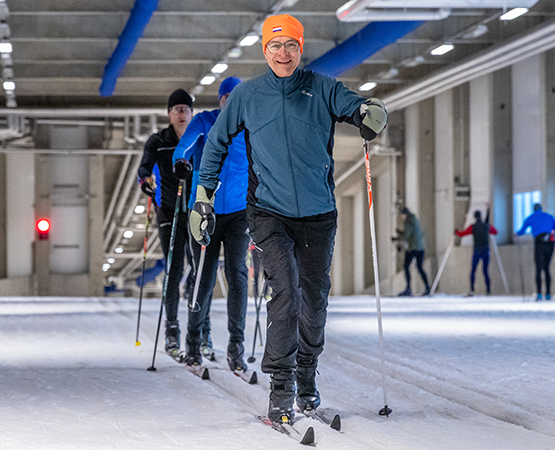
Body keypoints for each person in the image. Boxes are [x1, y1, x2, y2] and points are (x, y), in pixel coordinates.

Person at [190, 14, 388, 425]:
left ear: (301, 49)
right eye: (276, 46)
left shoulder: (321, 87)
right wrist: (203, 198)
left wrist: (371, 112)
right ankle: (281, 389)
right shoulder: (248, 96)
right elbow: (216, 143)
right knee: (287, 292)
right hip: (267, 212)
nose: (284, 53)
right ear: (265, 50)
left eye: (291, 46)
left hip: (318, 214)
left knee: (314, 300)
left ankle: (307, 377)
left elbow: (356, 107)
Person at [172, 77, 250, 371]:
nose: (230, 102)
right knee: (203, 276)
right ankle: (192, 345)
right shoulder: (205, 122)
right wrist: (181, 161)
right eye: (226, 96)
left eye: (235, 97)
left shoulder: (250, 126)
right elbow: (184, 146)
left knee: (237, 273)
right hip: (204, 210)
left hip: (239, 212)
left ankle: (236, 346)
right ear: (220, 100)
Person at [137, 88, 196, 357]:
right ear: (169, 114)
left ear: (192, 113)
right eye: (177, 109)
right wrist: (145, 181)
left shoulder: (201, 138)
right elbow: (145, 167)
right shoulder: (159, 140)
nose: (182, 114)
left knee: (198, 267)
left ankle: (200, 329)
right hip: (168, 209)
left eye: (186, 109)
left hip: (196, 209)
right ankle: (172, 331)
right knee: (174, 267)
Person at [515, 203, 555, 300]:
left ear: (534, 209)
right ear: (541, 208)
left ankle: (539, 294)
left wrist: (517, 234)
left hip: (539, 242)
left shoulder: (531, 217)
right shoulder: (549, 217)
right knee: (546, 268)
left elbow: (522, 231)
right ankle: (548, 294)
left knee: (538, 268)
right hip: (550, 242)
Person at [455, 207, 498, 296]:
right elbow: (495, 232)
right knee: (485, 271)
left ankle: (472, 290)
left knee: (473, 270)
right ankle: (488, 290)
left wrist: (456, 232)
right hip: (486, 250)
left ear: (475, 217)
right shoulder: (487, 226)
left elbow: (463, 234)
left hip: (477, 251)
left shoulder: (473, 227)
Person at [393, 207, 430, 296]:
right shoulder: (415, 219)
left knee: (406, 266)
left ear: (404, 214)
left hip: (413, 248)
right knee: (420, 267)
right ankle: (427, 287)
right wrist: (401, 233)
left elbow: (407, 234)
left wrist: (398, 237)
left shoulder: (408, 220)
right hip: (421, 248)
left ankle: (408, 289)